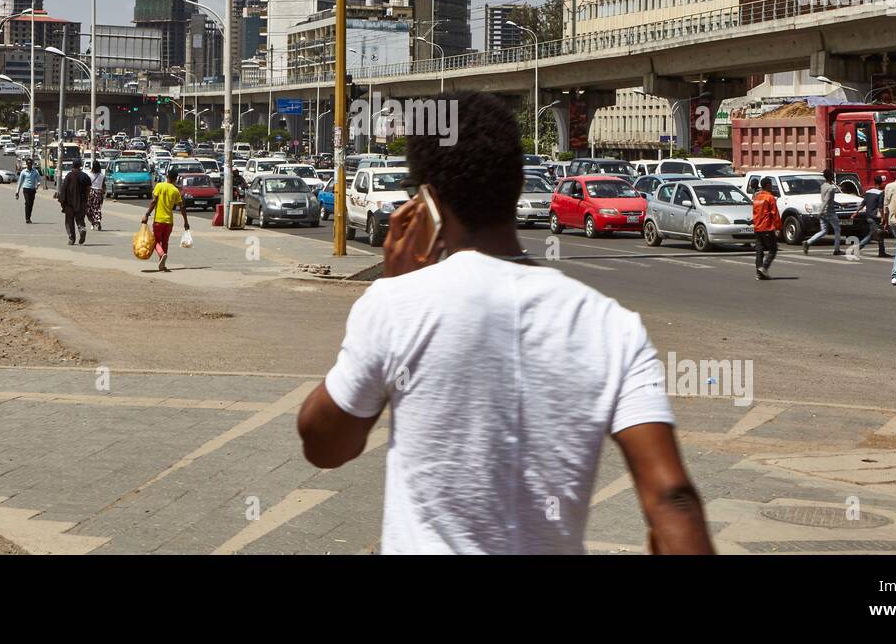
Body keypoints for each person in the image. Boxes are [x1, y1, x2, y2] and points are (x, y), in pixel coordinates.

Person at [296, 92, 713, 555]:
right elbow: (672, 498)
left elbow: (325, 446)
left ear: (426, 201)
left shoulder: (396, 304)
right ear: (517, 184)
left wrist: (393, 286)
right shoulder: (609, 323)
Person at [142, 171, 188, 272]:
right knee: (165, 242)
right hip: (169, 222)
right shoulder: (175, 191)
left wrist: (147, 214)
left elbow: (154, 201)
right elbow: (182, 207)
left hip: (158, 220)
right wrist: (186, 222)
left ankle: (162, 255)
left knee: (155, 241)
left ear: (167, 177)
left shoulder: (159, 186)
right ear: (175, 179)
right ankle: (162, 264)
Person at [802, 167, 842, 256]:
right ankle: (837, 249)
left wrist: (840, 204)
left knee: (823, 231)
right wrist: (821, 211)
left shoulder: (823, 186)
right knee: (837, 229)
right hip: (829, 212)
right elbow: (827, 201)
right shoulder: (831, 188)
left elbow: (828, 200)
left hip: (824, 210)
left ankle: (808, 242)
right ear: (831, 177)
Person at [752, 176, 782, 280]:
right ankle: (764, 268)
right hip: (767, 227)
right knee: (773, 249)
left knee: (759, 250)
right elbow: (775, 213)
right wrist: (778, 227)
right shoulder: (770, 198)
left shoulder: (757, 197)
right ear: (768, 185)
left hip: (757, 227)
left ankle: (758, 273)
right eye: (771, 184)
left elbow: (754, 213)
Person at [57, 159, 92, 245]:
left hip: (69, 204)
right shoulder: (85, 176)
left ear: (72, 166)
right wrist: (86, 199)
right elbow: (88, 189)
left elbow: (64, 188)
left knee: (69, 221)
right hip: (81, 202)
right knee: (80, 219)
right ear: (80, 165)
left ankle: (71, 238)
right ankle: (82, 229)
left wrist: (62, 202)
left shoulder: (69, 176)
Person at [857, 174, 890, 258]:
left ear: (874, 182)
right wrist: (883, 218)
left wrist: (856, 212)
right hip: (875, 217)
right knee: (874, 234)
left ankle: (881, 251)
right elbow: (880, 207)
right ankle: (858, 247)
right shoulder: (881, 193)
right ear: (881, 183)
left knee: (878, 234)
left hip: (868, 216)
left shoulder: (868, 192)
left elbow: (863, 204)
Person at [16, 158, 42, 223]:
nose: (29, 165)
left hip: (32, 189)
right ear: (26, 164)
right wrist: (17, 192)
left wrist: (38, 185)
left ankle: (29, 217)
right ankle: (27, 218)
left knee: (31, 204)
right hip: (26, 189)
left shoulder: (35, 171)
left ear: (32, 164)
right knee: (27, 203)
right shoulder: (23, 172)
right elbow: (20, 182)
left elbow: (39, 180)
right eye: (28, 164)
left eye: (30, 164)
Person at [85, 160, 106, 231]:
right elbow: (104, 185)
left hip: (91, 193)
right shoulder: (102, 175)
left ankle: (93, 222)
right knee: (97, 209)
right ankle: (98, 222)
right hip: (99, 194)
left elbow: (87, 186)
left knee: (89, 209)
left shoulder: (89, 175)